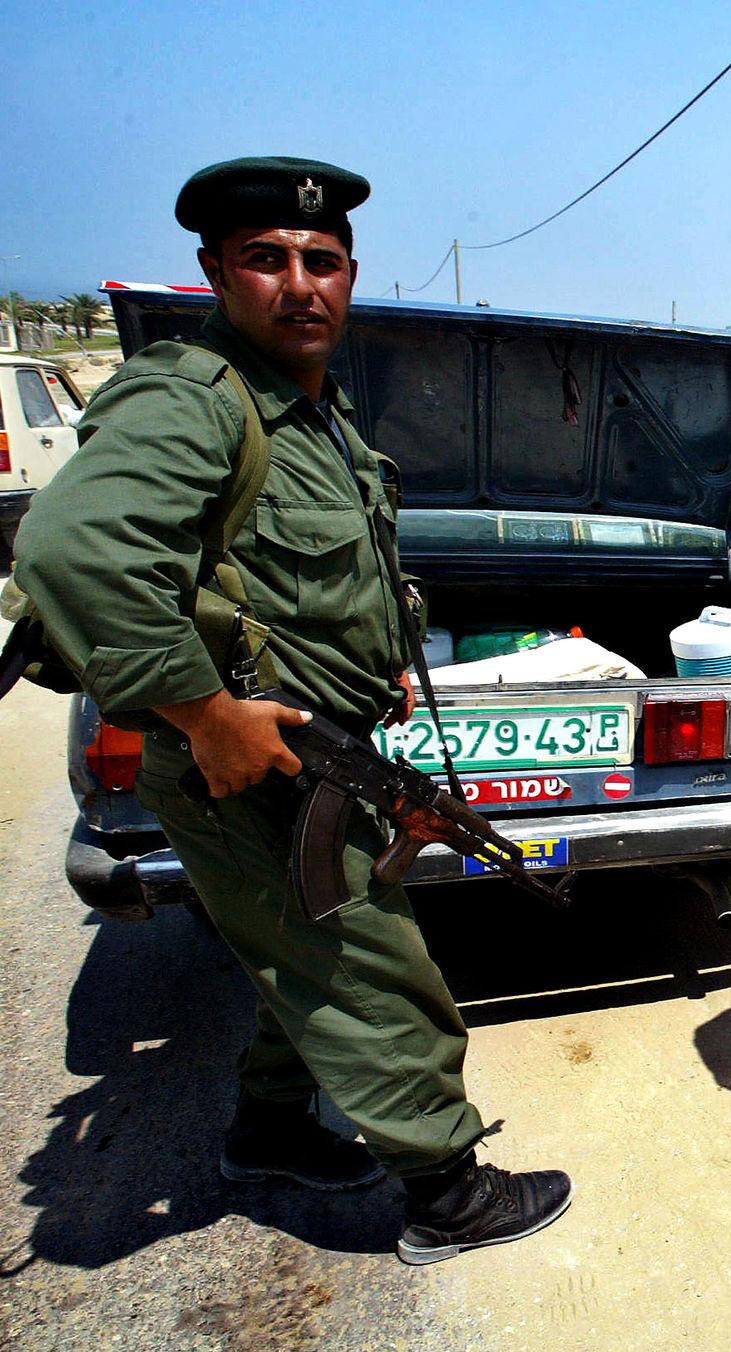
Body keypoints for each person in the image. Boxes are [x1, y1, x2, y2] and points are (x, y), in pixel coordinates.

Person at [11, 157, 571, 1265]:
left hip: (326, 747)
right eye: (268, 260)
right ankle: (447, 1197)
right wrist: (207, 713)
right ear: (217, 272)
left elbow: (318, 578)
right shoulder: (191, 398)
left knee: (301, 951)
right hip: (250, 766)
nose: (300, 283)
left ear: (350, 275)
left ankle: (271, 1133)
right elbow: (72, 548)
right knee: (374, 968)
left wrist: (381, 669)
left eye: (322, 262)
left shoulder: (314, 415)